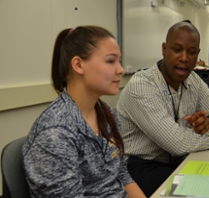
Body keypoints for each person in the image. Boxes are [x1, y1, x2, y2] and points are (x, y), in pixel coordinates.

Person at [116, 20, 209, 197]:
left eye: (192, 52)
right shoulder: (141, 86)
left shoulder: (193, 80)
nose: (184, 58)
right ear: (164, 49)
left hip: (184, 159)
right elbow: (177, 143)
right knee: (200, 193)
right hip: (143, 165)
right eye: (177, 50)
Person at [22, 26, 146, 198]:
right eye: (111, 61)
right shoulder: (56, 133)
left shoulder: (107, 114)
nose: (121, 69)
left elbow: (122, 175)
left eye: (119, 61)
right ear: (78, 65)